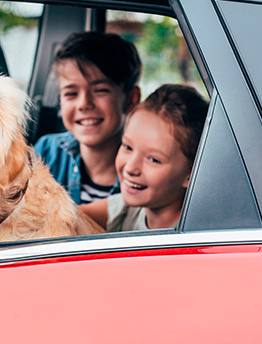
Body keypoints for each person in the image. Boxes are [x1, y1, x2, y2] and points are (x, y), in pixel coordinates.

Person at [79, 84, 209, 231]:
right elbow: (68, 217)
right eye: (127, 147)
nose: (130, 168)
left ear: (192, 174)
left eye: (153, 159)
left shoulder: (196, 234)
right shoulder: (127, 209)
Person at [34, 31, 142, 204]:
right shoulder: (47, 152)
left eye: (100, 90)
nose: (84, 104)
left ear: (131, 99)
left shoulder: (144, 173)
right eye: (71, 93)